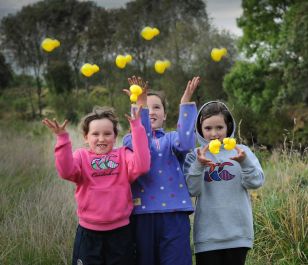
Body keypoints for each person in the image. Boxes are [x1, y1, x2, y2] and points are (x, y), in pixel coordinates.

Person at [42, 106, 150, 265]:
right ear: (86, 137)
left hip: (121, 233)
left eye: (107, 134)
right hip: (89, 233)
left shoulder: (123, 154)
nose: (102, 139)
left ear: (115, 136)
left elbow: (142, 166)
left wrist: (136, 127)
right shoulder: (81, 156)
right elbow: (66, 172)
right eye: (95, 134)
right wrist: (62, 138)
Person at [123, 76, 201, 265]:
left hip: (175, 214)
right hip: (143, 215)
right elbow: (143, 145)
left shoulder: (172, 139)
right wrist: (139, 104)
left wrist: (185, 105)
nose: (151, 111)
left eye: (156, 107)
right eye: (146, 107)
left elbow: (186, 143)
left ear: (165, 115)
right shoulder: (128, 140)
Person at [183, 101, 265, 265]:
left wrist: (244, 162)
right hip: (207, 237)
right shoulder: (194, 156)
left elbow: (256, 182)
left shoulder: (241, 151)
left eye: (219, 127)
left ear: (228, 127)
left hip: (238, 235)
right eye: (208, 128)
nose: (214, 133)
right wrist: (199, 165)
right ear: (200, 130)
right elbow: (192, 190)